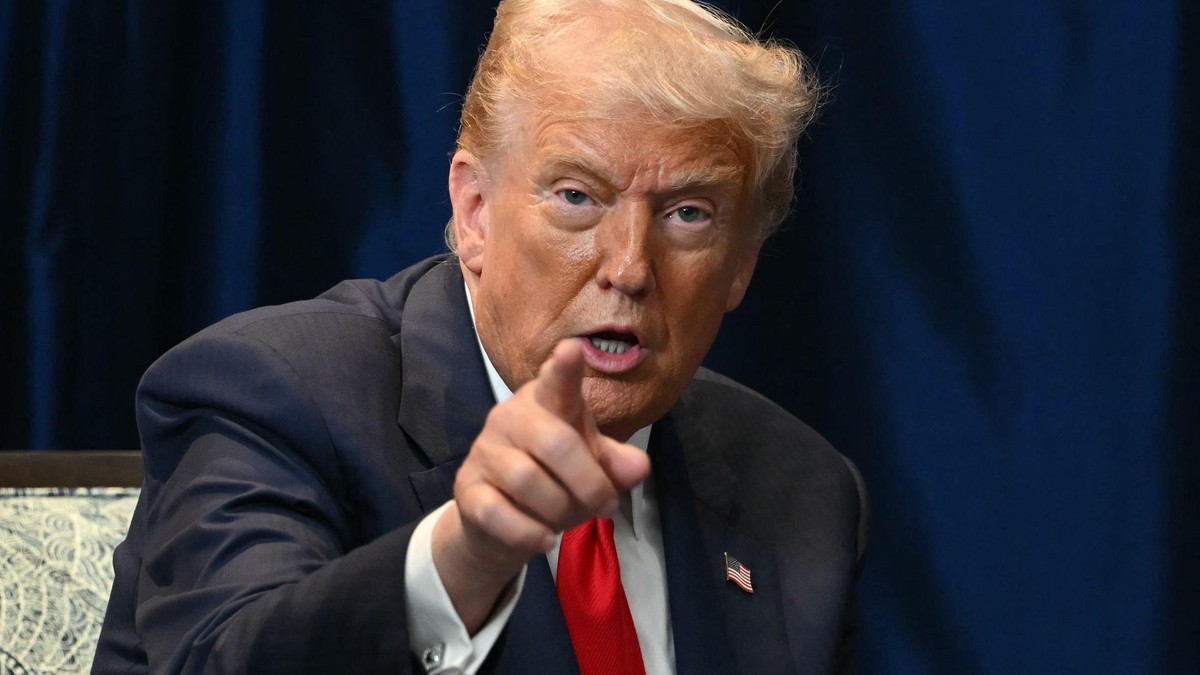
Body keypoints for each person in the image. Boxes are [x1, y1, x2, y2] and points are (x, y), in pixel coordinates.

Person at [92, 1, 867, 673]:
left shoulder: (799, 490)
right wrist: (465, 558)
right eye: (576, 196)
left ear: (741, 266)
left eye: (688, 213)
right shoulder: (274, 393)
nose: (630, 268)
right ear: (475, 214)